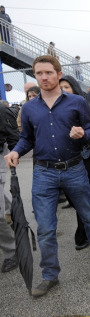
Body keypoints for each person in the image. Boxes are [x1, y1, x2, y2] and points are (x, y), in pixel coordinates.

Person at [4, 55, 90, 297]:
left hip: (74, 169)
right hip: (43, 173)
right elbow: (26, 139)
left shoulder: (76, 102)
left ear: (58, 73)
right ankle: (50, 275)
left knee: (88, 217)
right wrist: (15, 151)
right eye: (39, 74)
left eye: (48, 73)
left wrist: (82, 134)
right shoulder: (30, 108)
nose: (43, 77)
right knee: (45, 227)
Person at [59, 75, 90, 251]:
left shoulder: (85, 105)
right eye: (60, 87)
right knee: (74, 200)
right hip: (63, 160)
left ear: (74, 88)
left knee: (81, 197)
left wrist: (84, 134)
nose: (63, 91)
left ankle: (82, 234)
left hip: (85, 159)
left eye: (67, 87)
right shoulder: (53, 109)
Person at [0, 99, 18, 274]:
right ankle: (14, 215)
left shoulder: (2, 110)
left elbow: (14, 135)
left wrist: (14, 156)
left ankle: (12, 251)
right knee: (3, 204)